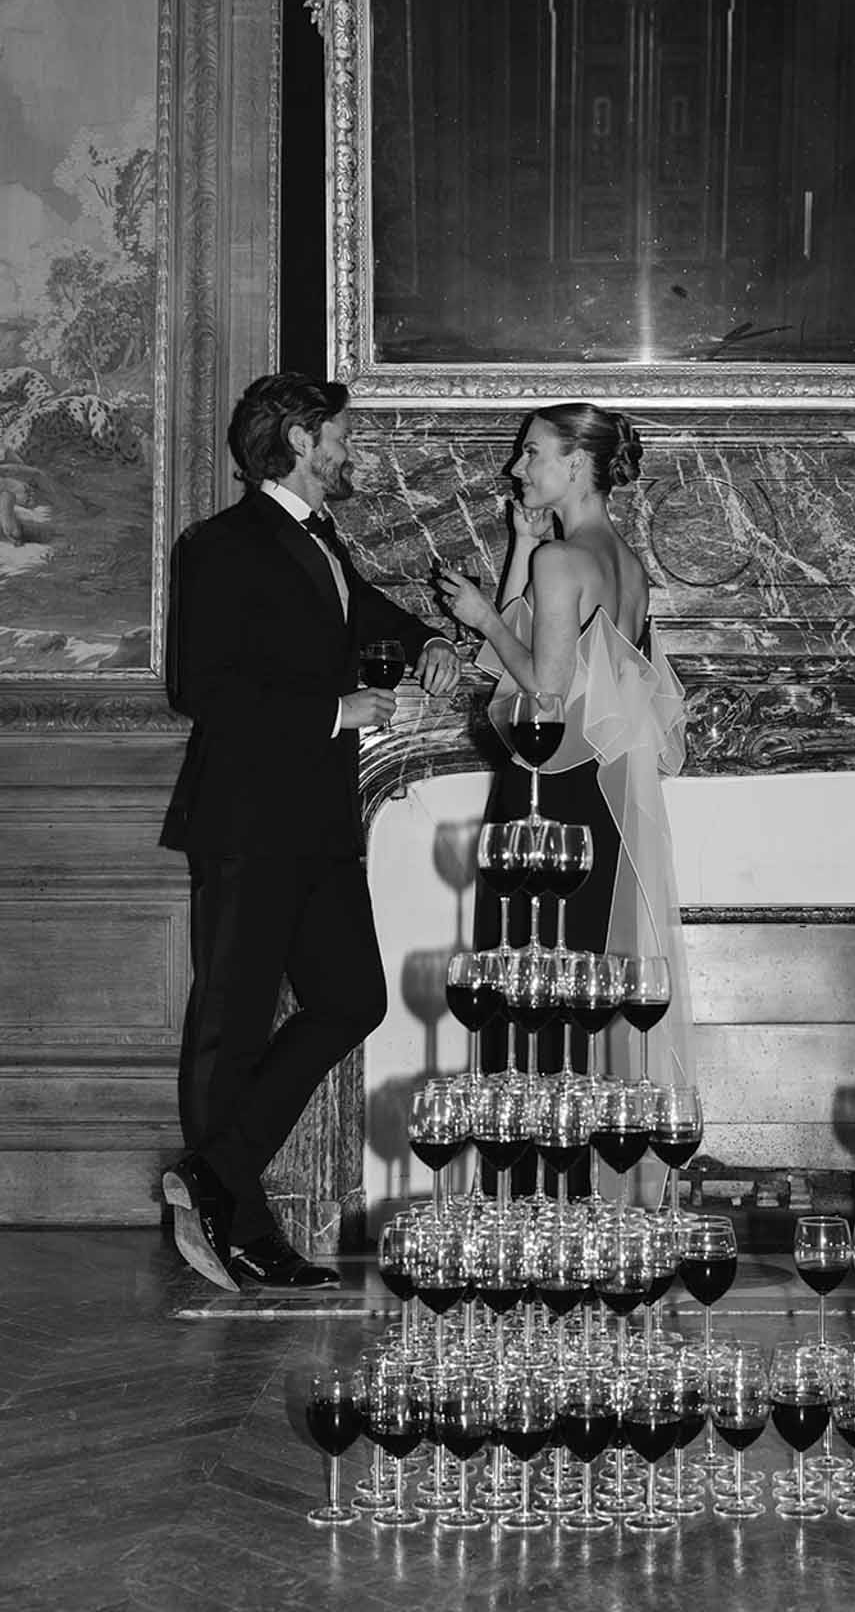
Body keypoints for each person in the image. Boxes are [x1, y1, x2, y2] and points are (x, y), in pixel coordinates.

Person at [159, 371, 460, 1290]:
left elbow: (371, 620)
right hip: (248, 821)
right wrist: (337, 710)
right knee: (232, 1027)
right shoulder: (219, 545)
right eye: (337, 433)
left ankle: (212, 1174)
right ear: (296, 441)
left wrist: (432, 643)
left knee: (350, 999)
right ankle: (242, 1226)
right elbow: (200, 688)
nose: (349, 447)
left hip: (320, 824)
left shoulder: (321, 541)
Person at [436, 402, 694, 1101]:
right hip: (597, 798)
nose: (517, 467)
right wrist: (520, 543)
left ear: (576, 464)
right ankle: (570, 1177)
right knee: (576, 982)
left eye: (532, 453)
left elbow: (542, 690)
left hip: (544, 798)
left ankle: (522, 1190)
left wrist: (481, 614)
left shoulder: (563, 560)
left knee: (520, 979)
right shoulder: (624, 564)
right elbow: (526, 653)